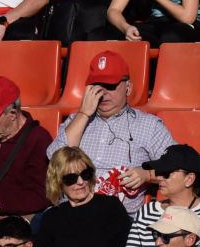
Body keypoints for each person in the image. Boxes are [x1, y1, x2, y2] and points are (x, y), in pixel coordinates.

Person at [47, 49, 174, 213]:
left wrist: (147, 174)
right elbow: (54, 158)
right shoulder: (76, 121)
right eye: (97, 86)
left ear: (128, 87)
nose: (103, 93)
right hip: (71, 212)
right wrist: (84, 113)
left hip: (117, 218)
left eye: (110, 86)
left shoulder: (149, 126)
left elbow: (177, 168)